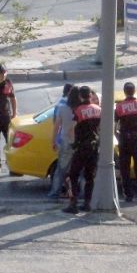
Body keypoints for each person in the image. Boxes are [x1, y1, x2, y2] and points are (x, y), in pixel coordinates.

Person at [63, 86, 101, 214]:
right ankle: (87, 203)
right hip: (94, 148)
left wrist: (73, 143)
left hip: (81, 148)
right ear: (90, 95)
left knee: (72, 175)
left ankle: (73, 204)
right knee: (90, 176)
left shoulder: (79, 110)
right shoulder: (98, 109)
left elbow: (72, 128)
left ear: (80, 96)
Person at [47, 86, 79, 201]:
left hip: (65, 141)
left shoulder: (62, 108)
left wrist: (54, 141)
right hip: (78, 142)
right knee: (78, 170)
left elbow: (57, 126)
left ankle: (55, 193)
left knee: (61, 170)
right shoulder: (81, 109)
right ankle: (77, 194)